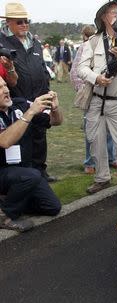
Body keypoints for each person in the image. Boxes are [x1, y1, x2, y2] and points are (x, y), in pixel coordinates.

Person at [77, 0, 117, 204]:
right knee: (95, 142)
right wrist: (96, 78)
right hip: (96, 100)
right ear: (104, 16)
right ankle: (102, 178)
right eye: (113, 11)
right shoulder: (93, 42)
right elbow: (81, 68)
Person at [0, 2, 57, 183]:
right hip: (17, 97)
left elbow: (42, 68)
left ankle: (41, 171)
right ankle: (26, 174)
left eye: (26, 21)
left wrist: (46, 90)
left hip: (39, 95)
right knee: (23, 137)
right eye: (19, 22)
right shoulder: (2, 43)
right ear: (9, 22)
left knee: (40, 133)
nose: (24, 24)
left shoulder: (36, 43)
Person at [0, 77, 62, 232]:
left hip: (25, 172)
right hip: (3, 172)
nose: (6, 90)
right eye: (0, 88)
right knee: (32, 175)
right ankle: (5, 215)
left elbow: (56, 122)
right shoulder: (26, 111)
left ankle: (11, 201)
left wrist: (54, 108)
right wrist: (30, 113)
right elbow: (5, 142)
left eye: (5, 85)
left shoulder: (20, 103)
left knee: (52, 206)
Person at [70, 24, 117, 175]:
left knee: (110, 130)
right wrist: (83, 89)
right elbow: (75, 71)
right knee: (91, 130)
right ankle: (90, 161)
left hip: (110, 94)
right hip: (92, 93)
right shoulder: (86, 46)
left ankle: (110, 158)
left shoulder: (114, 44)